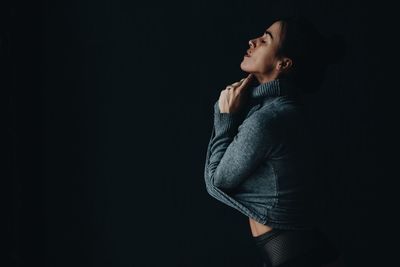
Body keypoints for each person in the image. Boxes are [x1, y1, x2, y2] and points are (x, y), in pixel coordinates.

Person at [204, 15, 345, 267]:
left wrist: (224, 119)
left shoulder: (269, 120)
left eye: (265, 40)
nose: (253, 41)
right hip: (302, 254)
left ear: (284, 63)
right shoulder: (280, 111)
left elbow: (217, 182)